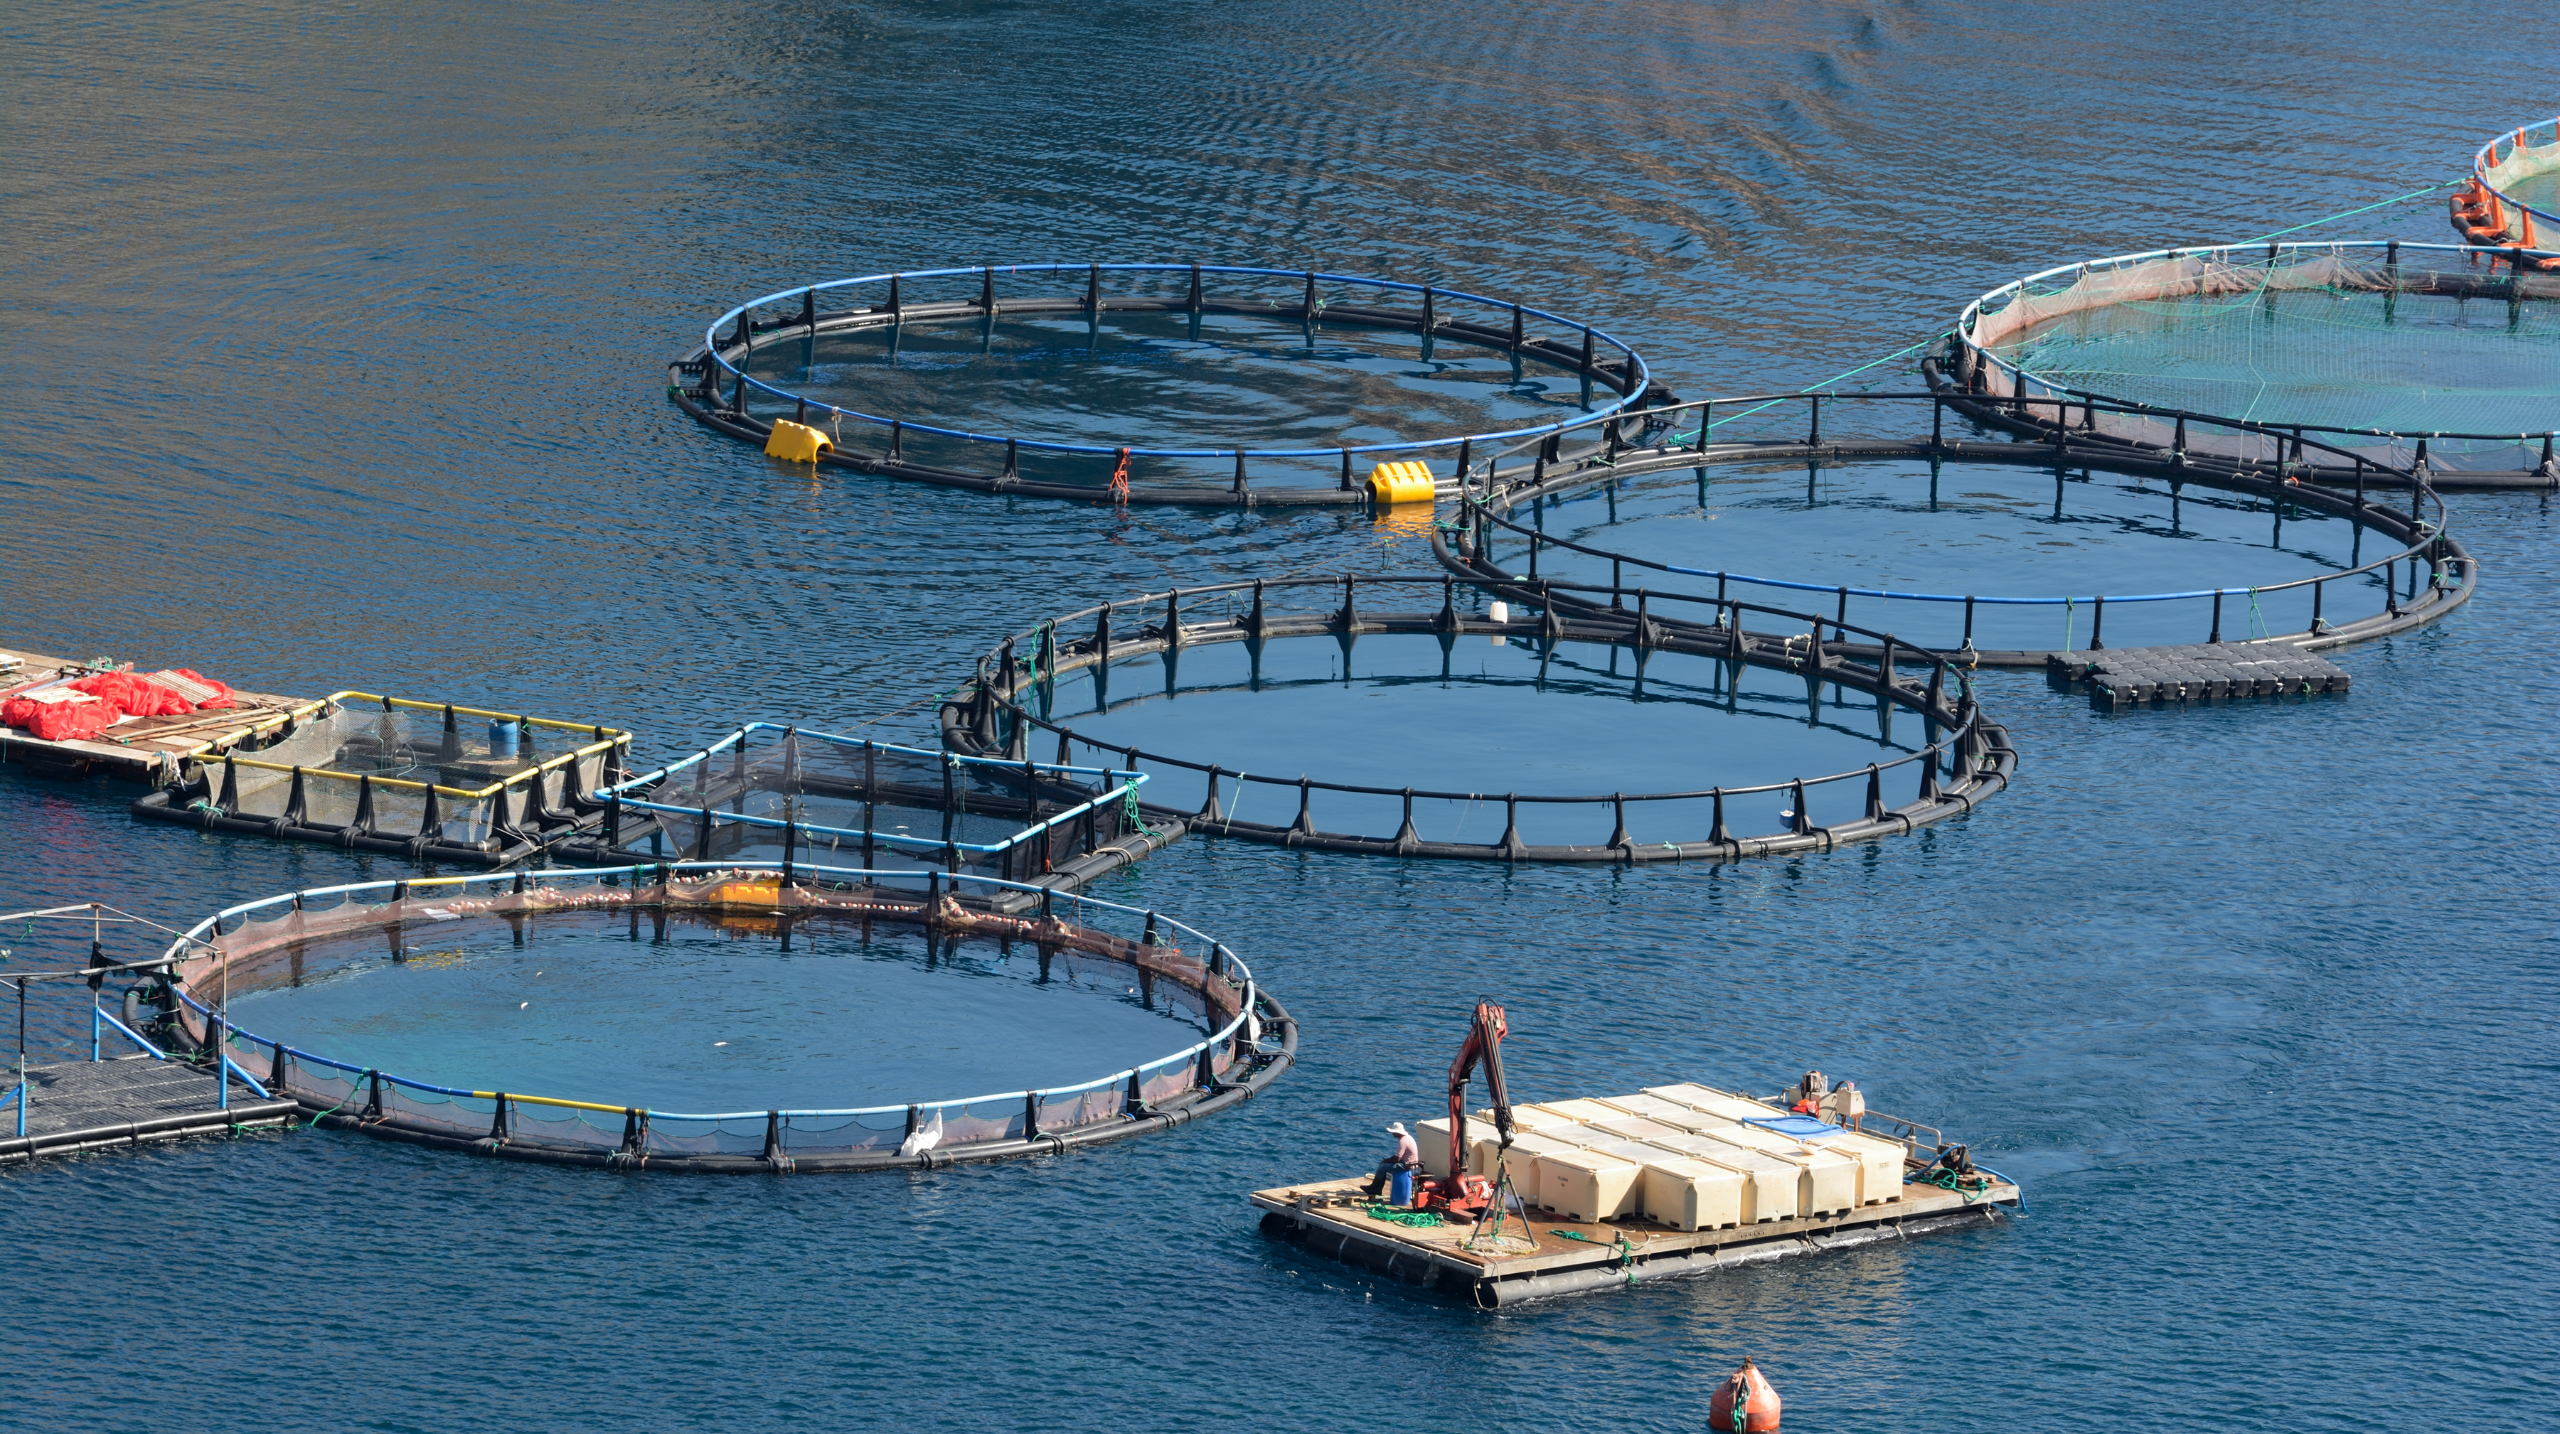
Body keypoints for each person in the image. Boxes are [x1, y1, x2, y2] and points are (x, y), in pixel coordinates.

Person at [1360, 1121, 1421, 1198]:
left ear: (1398, 1132)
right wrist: (1387, 1160)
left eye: (1393, 1132)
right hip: (1410, 1163)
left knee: (1382, 1168)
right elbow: (1398, 1156)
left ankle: (1375, 1188)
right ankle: (1375, 1188)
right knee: (1382, 1165)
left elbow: (1397, 1159)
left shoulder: (1402, 1141)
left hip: (1406, 1166)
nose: (1392, 1134)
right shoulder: (1408, 1138)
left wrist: (1387, 1161)